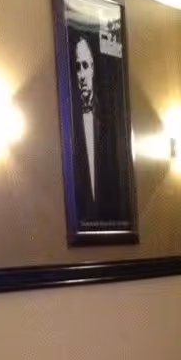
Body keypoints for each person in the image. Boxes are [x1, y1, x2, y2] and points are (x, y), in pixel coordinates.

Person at [68, 29, 130, 226]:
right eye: (77, 67)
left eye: (85, 66)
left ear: (93, 69)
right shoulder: (69, 123)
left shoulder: (110, 122)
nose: (81, 74)